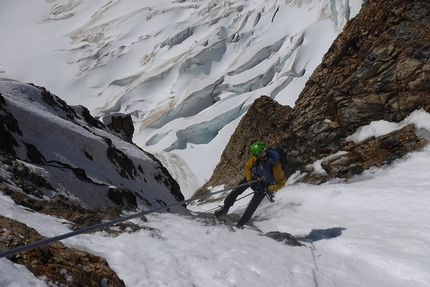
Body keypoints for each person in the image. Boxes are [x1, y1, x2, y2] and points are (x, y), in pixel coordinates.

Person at [214, 141, 287, 228]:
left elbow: (282, 183)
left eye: (263, 154)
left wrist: (269, 189)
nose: (263, 157)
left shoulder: (275, 166)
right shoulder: (255, 159)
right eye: (260, 155)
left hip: (265, 185)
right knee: (236, 191)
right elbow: (248, 166)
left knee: (253, 205)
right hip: (254, 177)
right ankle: (225, 208)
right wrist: (249, 179)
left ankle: (240, 224)